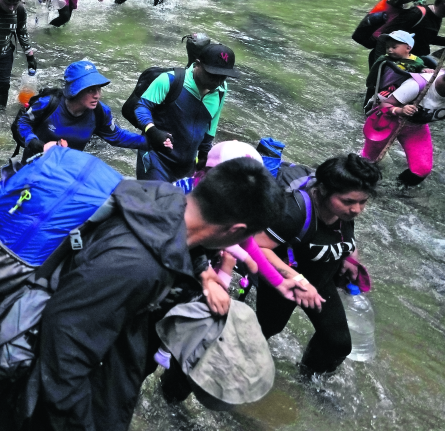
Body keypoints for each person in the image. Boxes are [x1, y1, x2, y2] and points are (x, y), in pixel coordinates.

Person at [27, 157, 283, 431]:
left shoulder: (166, 198)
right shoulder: (136, 264)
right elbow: (63, 353)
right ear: (236, 231)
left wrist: (204, 272)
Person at [254, 154, 379, 376]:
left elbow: (343, 236)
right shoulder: (294, 211)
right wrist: (297, 279)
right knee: (264, 331)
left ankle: (308, 382)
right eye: (349, 201)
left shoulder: (344, 212)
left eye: (363, 201)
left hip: (321, 281)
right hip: (284, 283)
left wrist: (350, 257)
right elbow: (257, 247)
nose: (357, 209)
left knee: (337, 343)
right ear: (323, 190)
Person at [134, 43, 238, 184]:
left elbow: (211, 123)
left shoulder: (221, 90)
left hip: (186, 166)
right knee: (155, 203)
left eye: (223, 76)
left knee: (182, 204)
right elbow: (141, 107)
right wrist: (152, 130)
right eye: (213, 75)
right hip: (156, 159)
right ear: (197, 64)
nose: (218, 81)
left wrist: (204, 155)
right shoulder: (170, 80)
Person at [14, 60, 148, 161]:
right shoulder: (48, 104)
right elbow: (22, 123)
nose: (97, 95)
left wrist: (152, 142)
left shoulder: (100, 112)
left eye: (98, 89)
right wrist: (34, 142)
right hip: (34, 166)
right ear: (75, 91)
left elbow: (117, 136)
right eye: (90, 90)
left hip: (68, 170)